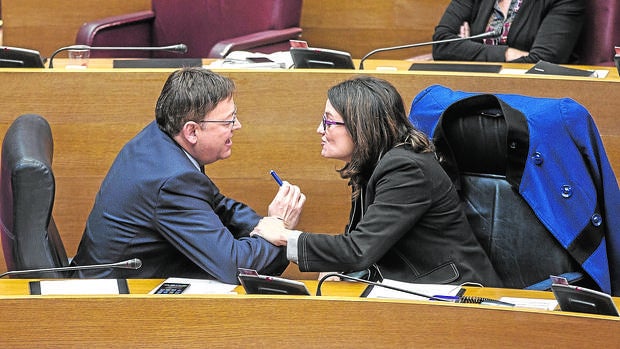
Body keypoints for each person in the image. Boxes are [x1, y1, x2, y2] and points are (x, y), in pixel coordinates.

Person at [252, 76, 502, 287]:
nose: (320, 129)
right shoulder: (377, 162)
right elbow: (362, 242)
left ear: (361, 126)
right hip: (412, 285)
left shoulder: (406, 169)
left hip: (455, 293)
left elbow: (359, 250)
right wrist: (335, 267)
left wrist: (285, 236)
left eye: (328, 121)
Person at [70, 67, 305, 284]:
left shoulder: (161, 136)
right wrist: (281, 233)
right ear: (192, 131)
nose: (238, 125)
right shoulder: (173, 179)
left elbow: (216, 204)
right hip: (110, 301)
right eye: (228, 121)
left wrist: (263, 225)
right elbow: (234, 267)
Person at [432, 0, 586, 64]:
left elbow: (543, 62)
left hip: (532, 95)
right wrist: (507, 54)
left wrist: (466, 48)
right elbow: (441, 45)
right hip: (472, 87)